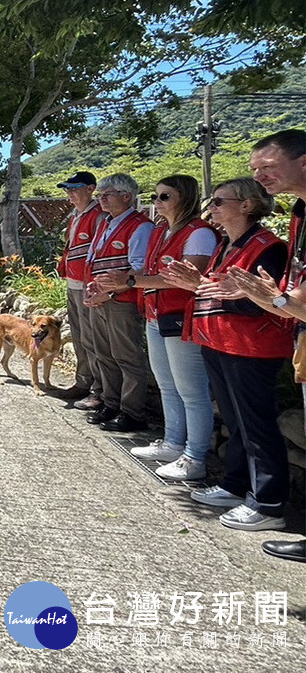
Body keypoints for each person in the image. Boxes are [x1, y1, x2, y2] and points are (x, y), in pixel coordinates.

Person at [163, 178, 292, 532]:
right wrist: (196, 284)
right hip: (221, 343)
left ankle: (267, 502)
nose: (212, 209)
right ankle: (235, 485)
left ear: (247, 205)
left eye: (219, 202)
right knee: (236, 421)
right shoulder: (226, 245)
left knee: (256, 425)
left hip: (252, 347)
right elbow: (220, 291)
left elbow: (268, 304)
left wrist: (229, 291)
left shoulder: (270, 248)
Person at [97, 175, 217, 480]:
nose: (157, 202)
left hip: (181, 317)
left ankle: (195, 455)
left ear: (185, 198)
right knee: (167, 385)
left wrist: (131, 281)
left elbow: (184, 278)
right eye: (155, 196)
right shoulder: (162, 231)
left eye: (165, 197)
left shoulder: (199, 233)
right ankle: (173, 442)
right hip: (156, 314)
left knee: (191, 390)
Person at [226, 129, 306, 562]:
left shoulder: (267, 241)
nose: (261, 177)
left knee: (256, 421)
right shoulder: (299, 213)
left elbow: (283, 296)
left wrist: (269, 298)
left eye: (268, 168)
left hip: (257, 341)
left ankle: (268, 502)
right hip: (297, 336)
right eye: (255, 170)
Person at [82, 173, 155, 432]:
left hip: (121, 301)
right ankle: (111, 403)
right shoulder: (106, 223)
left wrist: (109, 294)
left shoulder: (140, 226)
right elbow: (96, 259)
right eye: (100, 194)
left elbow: (137, 270)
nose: (101, 199)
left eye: (107, 194)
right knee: (104, 353)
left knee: (127, 356)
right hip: (100, 298)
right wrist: (92, 288)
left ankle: (132, 411)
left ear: (127, 196)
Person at [54, 173, 109, 409]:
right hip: (74, 282)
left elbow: (98, 252)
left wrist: (93, 285)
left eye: (75, 188)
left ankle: (99, 390)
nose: (70, 193)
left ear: (90, 189)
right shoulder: (76, 215)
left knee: (92, 338)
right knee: (79, 337)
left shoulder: (99, 216)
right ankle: (83, 382)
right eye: (67, 189)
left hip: (89, 285)